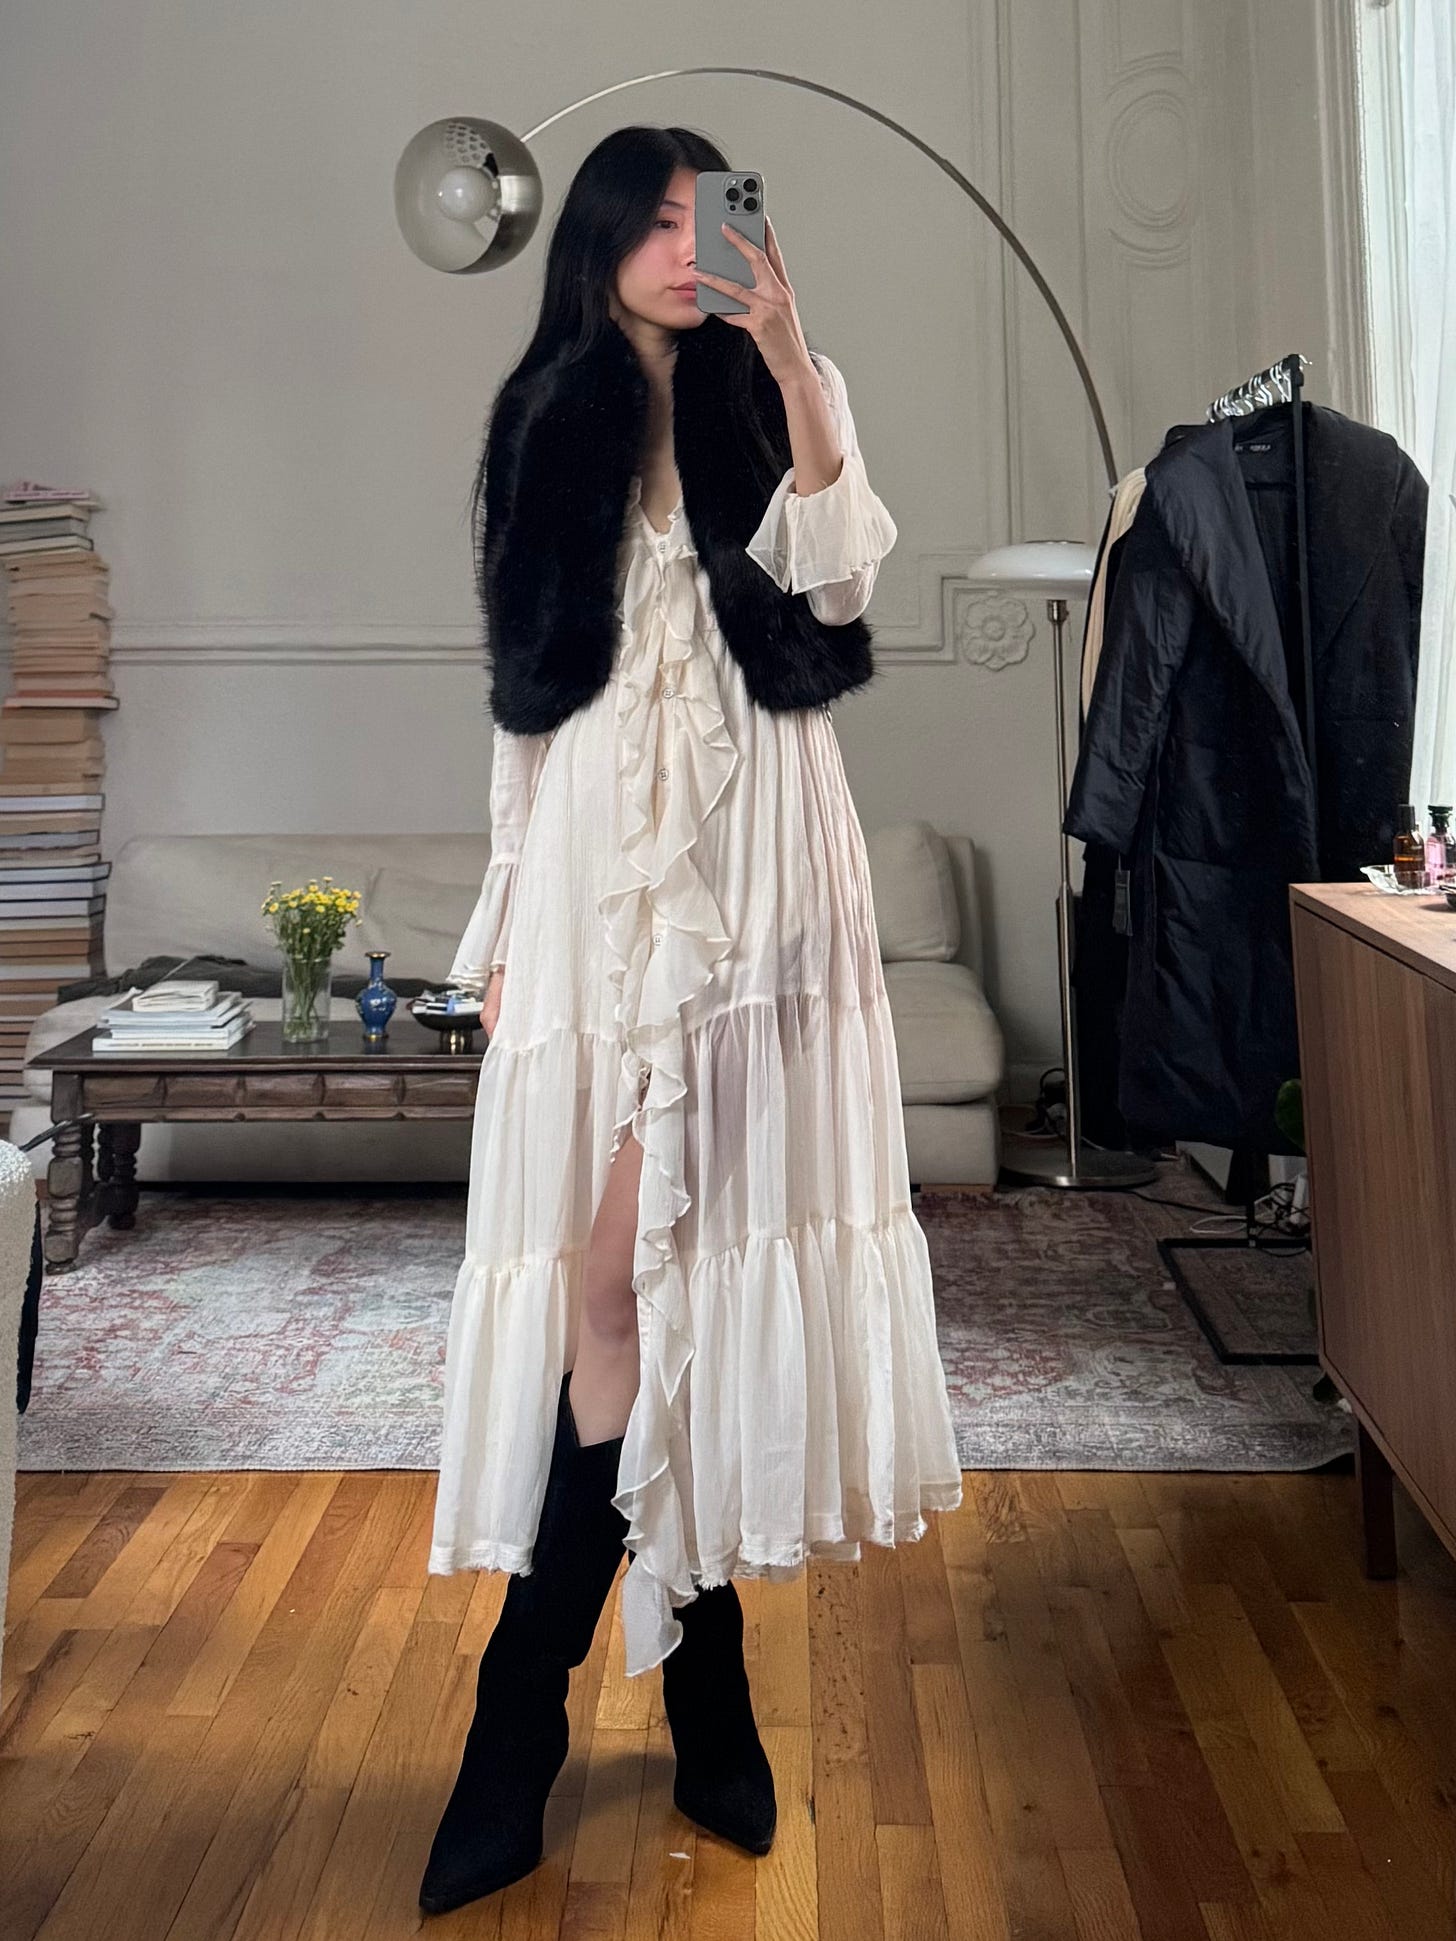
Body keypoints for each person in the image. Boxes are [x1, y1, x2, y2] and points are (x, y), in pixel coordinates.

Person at [419, 123, 964, 1918]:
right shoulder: (544, 422)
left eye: (703, 220)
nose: (681, 247)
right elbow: (522, 705)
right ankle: (650, 1689)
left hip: (763, 879)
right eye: (649, 222)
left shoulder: (772, 394)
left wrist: (795, 353)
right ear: (593, 241)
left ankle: (553, 1717)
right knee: (619, 1288)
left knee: (686, 1282)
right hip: (597, 885)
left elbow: (841, 579)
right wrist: (507, 919)